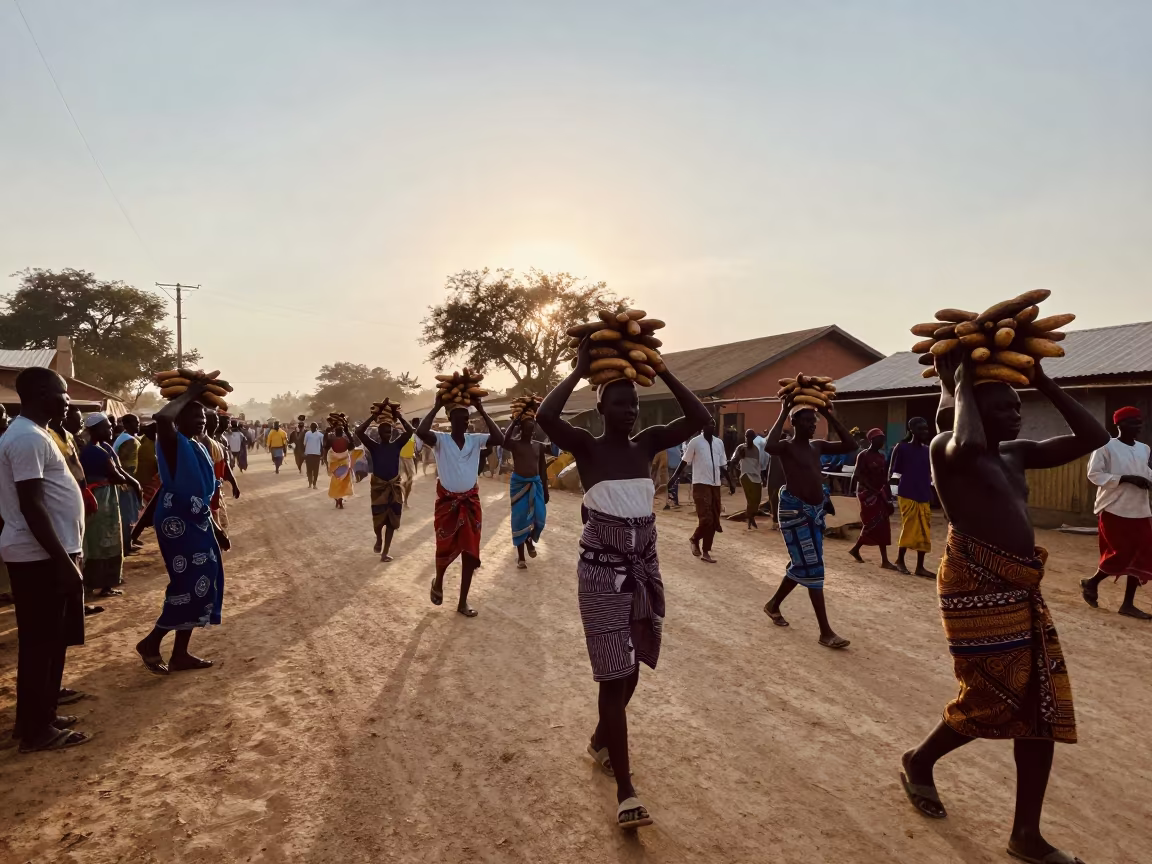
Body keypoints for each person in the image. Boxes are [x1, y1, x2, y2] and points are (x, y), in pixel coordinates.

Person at [900, 353, 1106, 864]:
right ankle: (919, 760)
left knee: (1038, 706)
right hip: (975, 584)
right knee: (992, 695)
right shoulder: (946, 450)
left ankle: (1026, 835)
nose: (1015, 414)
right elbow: (966, 437)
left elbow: (1092, 439)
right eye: (1003, 405)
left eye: (1017, 405)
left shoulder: (1015, 453)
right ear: (974, 405)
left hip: (1019, 587)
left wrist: (1042, 378)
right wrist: (962, 378)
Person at [536, 337, 709, 830]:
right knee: (614, 674)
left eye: (633, 403)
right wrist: (576, 369)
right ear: (600, 406)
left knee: (632, 667)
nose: (629, 411)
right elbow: (547, 419)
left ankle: (598, 743)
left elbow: (698, 419)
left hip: (643, 567)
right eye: (619, 403)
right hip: (600, 571)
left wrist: (666, 371)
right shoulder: (586, 448)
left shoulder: (648, 443)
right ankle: (626, 789)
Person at [0, 368, 91, 751]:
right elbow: (32, 504)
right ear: (40, 393)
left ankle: (38, 717)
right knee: (41, 643)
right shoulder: (25, 438)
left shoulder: (36, 434)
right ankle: (38, 732)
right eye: (62, 393)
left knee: (50, 643)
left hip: (48, 554)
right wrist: (62, 560)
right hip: (39, 556)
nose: (67, 399)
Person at [134, 380, 229, 675]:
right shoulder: (171, 441)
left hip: (198, 520)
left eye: (204, 419)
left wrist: (215, 527)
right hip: (178, 524)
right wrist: (193, 391)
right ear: (179, 419)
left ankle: (180, 654)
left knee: (204, 583)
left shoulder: (197, 446)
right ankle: (152, 642)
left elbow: (201, 493)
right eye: (196, 418)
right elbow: (162, 417)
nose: (202, 423)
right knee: (187, 585)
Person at [762, 397, 857, 649]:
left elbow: (850, 444)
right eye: (806, 421)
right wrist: (784, 410)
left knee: (804, 563)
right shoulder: (786, 447)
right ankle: (825, 632)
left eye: (813, 421)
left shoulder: (817, 446)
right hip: (795, 513)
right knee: (813, 568)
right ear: (794, 423)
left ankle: (773, 605)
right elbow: (769, 446)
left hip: (814, 513)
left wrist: (829, 414)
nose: (811, 425)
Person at [416, 396, 505, 617]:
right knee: (444, 546)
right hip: (447, 503)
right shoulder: (440, 439)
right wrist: (436, 405)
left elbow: (499, 438)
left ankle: (463, 602)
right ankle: (438, 581)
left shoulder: (475, 439)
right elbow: (421, 433)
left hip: (471, 501)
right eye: (459, 417)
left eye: (466, 418)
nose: (464, 422)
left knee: (470, 552)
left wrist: (482, 409)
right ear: (449, 418)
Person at [1081, 406, 1152, 619]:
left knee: (1141, 553)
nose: (1137, 426)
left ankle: (1128, 604)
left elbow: (1145, 471)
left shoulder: (1144, 448)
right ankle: (1091, 582)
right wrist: (1126, 478)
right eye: (1132, 422)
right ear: (1119, 424)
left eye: (1139, 422)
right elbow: (1094, 474)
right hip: (1113, 507)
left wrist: (1147, 479)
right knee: (1121, 552)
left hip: (1139, 508)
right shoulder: (1105, 447)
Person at [79, 413, 141, 599]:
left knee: (111, 541)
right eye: (106, 427)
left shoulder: (104, 447)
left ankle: (107, 583)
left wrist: (134, 483)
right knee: (98, 542)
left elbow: (118, 471)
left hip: (108, 497)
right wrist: (131, 483)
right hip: (99, 498)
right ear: (95, 429)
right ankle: (93, 583)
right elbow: (116, 475)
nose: (111, 429)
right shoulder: (94, 451)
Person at [354, 408, 414, 561]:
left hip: (394, 486)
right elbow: (359, 432)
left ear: (392, 433)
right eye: (384, 432)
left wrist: (399, 415)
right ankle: (379, 538)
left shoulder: (397, 444)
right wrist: (372, 417)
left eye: (389, 432)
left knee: (392, 522)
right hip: (379, 487)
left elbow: (410, 431)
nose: (387, 434)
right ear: (379, 434)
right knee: (378, 520)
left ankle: (385, 552)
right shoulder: (374, 446)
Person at [672, 417, 727, 563]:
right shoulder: (695, 442)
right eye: (709, 423)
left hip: (715, 485)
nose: (711, 426)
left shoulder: (719, 443)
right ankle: (695, 539)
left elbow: (722, 464)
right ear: (703, 426)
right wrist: (674, 478)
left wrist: (731, 482)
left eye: (713, 424)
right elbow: (684, 461)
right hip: (700, 484)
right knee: (706, 519)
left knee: (715, 519)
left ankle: (706, 551)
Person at [890, 417, 936, 578]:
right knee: (909, 527)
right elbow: (893, 472)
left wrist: (932, 489)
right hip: (907, 493)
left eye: (926, 429)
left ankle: (920, 567)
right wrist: (890, 493)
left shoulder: (928, 450)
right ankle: (900, 561)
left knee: (924, 530)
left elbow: (930, 473)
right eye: (921, 429)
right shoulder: (901, 448)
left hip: (923, 493)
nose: (924, 432)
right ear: (912, 430)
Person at [505, 412, 549, 569]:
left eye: (533, 428)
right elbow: (503, 440)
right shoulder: (515, 444)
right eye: (527, 428)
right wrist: (515, 420)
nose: (530, 431)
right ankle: (521, 558)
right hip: (518, 485)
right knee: (519, 520)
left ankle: (530, 539)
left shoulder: (538, 445)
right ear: (521, 429)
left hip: (535, 484)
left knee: (540, 518)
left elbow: (543, 466)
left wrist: (545, 487)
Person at [849, 429, 897, 570]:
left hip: (879, 494)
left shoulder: (881, 457)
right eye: (879, 439)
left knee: (882, 525)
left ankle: (883, 559)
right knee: (872, 524)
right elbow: (857, 476)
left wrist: (888, 497)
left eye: (883, 439)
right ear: (871, 440)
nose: (882, 442)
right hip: (867, 494)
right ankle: (858, 550)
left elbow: (884, 479)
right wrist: (851, 494)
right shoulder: (863, 455)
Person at [113, 413, 143, 555]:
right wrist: (133, 482)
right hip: (126, 482)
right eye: (135, 423)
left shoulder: (125, 438)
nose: (138, 425)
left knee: (129, 513)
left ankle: (129, 541)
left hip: (126, 481)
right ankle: (126, 546)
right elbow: (125, 466)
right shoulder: (128, 440)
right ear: (126, 425)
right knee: (126, 515)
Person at [728, 428, 768, 529]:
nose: (748, 439)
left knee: (756, 501)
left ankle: (750, 517)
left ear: (753, 438)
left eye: (750, 437)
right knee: (751, 500)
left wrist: (763, 478)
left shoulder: (757, 450)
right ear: (745, 437)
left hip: (756, 477)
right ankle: (750, 519)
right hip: (745, 476)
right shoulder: (741, 448)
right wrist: (734, 474)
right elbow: (733, 461)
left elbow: (759, 465)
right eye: (747, 437)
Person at [326, 422, 360, 507]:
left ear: (335, 432)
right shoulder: (346, 441)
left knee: (335, 484)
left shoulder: (331, 441)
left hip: (334, 466)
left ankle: (337, 499)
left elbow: (325, 445)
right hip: (345, 466)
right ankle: (340, 499)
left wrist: (328, 430)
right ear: (342, 433)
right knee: (343, 484)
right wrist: (347, 431)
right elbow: (352, 444)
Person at [303, 422, 324, 488]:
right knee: (315, 470)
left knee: (309, 469)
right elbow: (322, 445)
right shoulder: (320, 435)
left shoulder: (308, 434)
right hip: (316, 454)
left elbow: (304, 443)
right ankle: (314, 484)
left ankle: (310, 483)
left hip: (309, 454)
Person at [663, 443, 682, 510]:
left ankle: (671, 502)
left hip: (671, 468)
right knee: (675, 484)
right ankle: (674, 501)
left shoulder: (667, 449)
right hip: (676, 468)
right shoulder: (677, 447)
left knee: (670, 485)